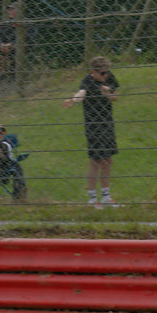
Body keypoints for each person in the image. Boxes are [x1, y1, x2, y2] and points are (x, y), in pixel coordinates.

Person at [62, 56, 120, 205]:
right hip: (93, 125)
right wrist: (72, 101)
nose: (105, 75)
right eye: (102, 73)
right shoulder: (88, 81)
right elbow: (81, 93)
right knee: (95, 160)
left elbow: (115, 97)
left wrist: (108, 92)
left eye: (107, 72)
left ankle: (106, 196)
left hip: (107, 122)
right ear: (93, 72)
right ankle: (92, 198)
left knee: (108, 159)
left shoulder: (109, 77)